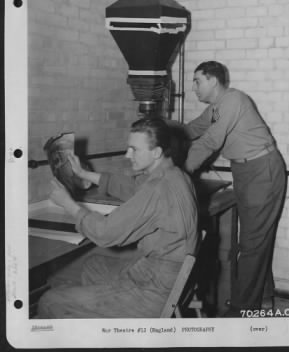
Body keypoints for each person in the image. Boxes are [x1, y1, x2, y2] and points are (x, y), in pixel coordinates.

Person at [38, 118, 199, 318]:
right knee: (92, 265)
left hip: (153, 290)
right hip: (170, 277)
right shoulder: (176, 175)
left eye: (134, 149)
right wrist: (84, 174)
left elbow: (105, 233)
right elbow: (133, 187)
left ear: (156, 153)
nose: (127, 154)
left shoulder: (157, 188)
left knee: (50, 300)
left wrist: (68, 204)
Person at [184, 61, 287, 317]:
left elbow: (210, 140)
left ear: (213, 81)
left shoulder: (233, 100)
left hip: (262, 169)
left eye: (197, 80)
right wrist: (161, 133)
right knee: (256, 239)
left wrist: (178, 172)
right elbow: (194, 129)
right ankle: (262, 299)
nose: (193, 87)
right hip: (245, 171)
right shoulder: (216, 109)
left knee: (251, 242)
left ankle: (243, 311)